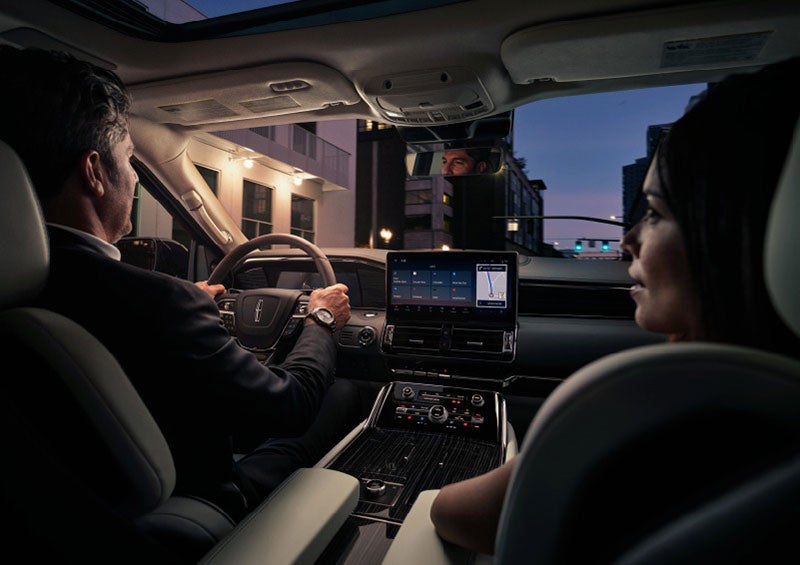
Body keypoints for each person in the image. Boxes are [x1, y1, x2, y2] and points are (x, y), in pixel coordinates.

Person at [429, 56, 800, 555]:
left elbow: (450, 513)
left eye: (656, 213)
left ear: (741, 234)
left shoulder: (643, 411)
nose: (628, 240)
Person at [0, 45, 363, 519]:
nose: (133, 176)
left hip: (68, 507)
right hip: (193, 508)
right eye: (131, 159)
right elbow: (290, 404)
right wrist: (319, 318)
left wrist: (189, 308)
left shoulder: (32, 289)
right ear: (93, 173)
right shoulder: (159, 305)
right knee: (342, 394)